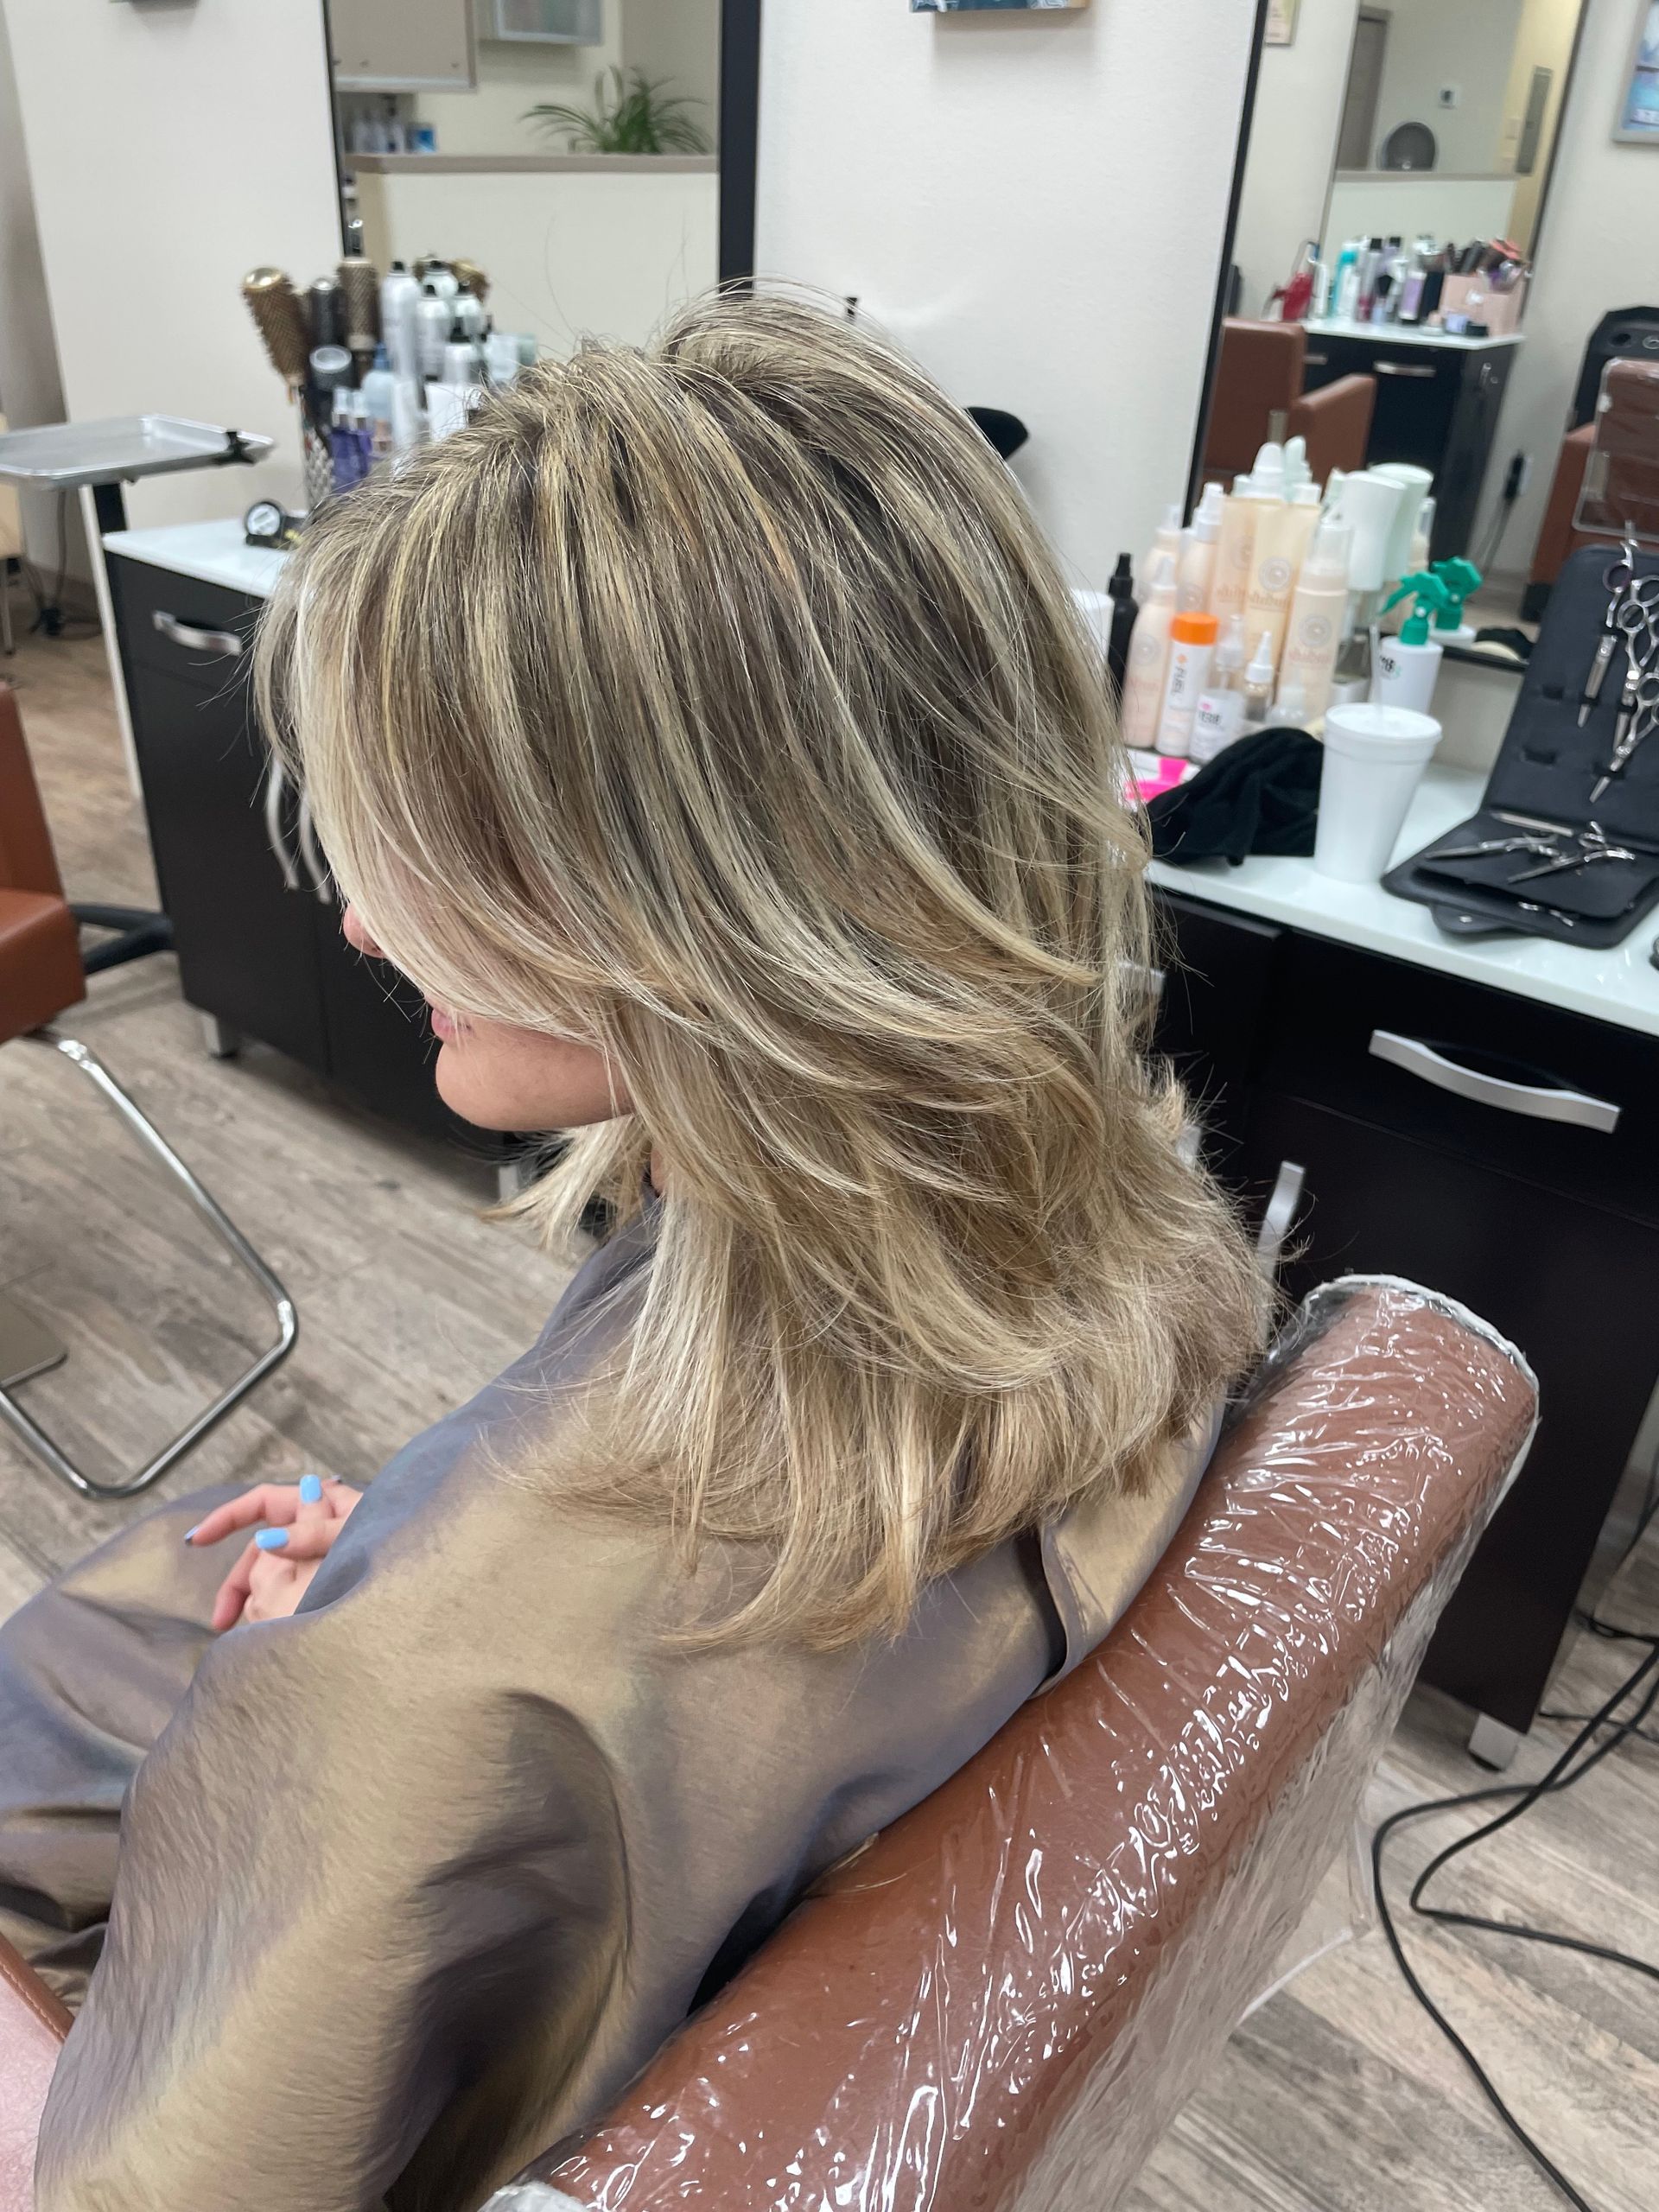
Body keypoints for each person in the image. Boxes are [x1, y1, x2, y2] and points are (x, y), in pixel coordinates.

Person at [0, 295, 1264, 2212]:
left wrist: (380, 1661)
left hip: (392, 1815)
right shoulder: (1133, 1229)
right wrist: (421, 1558)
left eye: (418, 843)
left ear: (687, 911)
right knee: (195, 1577)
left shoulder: (444, 1682)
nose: (352, 915)